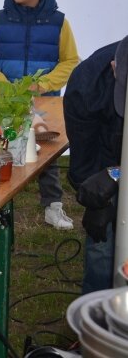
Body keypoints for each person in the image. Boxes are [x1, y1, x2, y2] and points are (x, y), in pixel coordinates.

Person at [0, 0, 79, 229]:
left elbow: (71, 61)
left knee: (46, 152)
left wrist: (43, 85)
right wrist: (2, 86)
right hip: (4, 101)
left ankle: (53, 206)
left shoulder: (59, 23)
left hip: (43, 102)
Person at [64, 35, 126, 293]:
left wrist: (120, 174)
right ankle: (96, 321)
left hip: (116, 167)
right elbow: (84, 158)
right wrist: (96, 200)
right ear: (115, 68)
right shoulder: (86, 85)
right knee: (102, 243)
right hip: (104, 159)